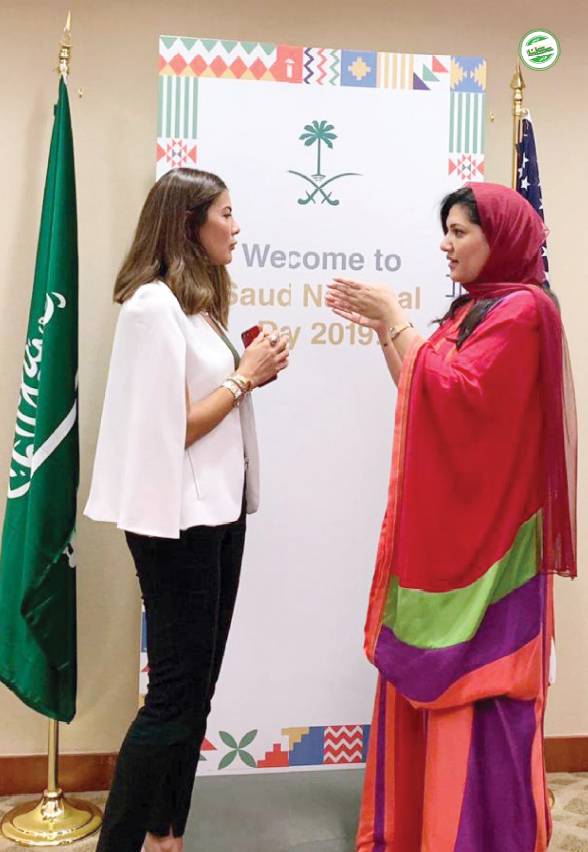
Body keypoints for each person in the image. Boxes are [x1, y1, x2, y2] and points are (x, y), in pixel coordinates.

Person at [326, 182, 577, 852]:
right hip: (451, 542)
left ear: (502, 239)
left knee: (484, 695)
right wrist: (387, 330)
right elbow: (424, 389)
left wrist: (397, 317)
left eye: (460, 231)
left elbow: (462, 398)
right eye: (446, 230)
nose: (445, 244)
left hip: (496, 553)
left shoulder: (524, 311)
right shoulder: (472, 307)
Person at [84, 167, 289, 852]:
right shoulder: (151, 307)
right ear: (188, 223)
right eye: (226, 213)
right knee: (174, 696)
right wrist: (244, 376)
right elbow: (173, 427)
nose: (237, 226)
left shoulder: (197, 304)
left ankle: (165, 833)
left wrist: (250, 369)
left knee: (196, 692)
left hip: (219, 515)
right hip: (177, 525)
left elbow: (213, 402)